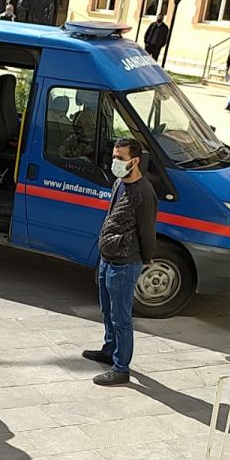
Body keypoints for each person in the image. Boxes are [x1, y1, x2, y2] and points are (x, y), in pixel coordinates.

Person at [82, 138, 157, 386]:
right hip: (107, 259)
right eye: (115, 156)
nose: (116, 162)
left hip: (125, 263)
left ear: (134, 161)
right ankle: (109, 350)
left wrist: (147, 259)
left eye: (121, 158)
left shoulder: (144, 193)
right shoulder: (118, 183)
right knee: (107, 310)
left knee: (121, 318)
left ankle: (121, 368)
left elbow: (147, 231)